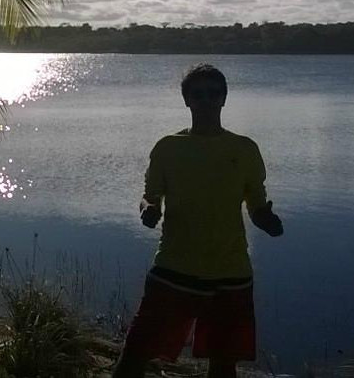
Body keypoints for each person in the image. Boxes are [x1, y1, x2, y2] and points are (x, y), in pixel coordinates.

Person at [112, 63, 283, 378]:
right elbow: (150, 195)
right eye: (198, 94)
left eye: (213, 94)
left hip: (231, 274)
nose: (206, 100)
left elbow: (257, 204)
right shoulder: (167, 148)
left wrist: (267, 220)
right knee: (135, 354)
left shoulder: (244, 149)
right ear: (187, 100)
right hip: (174, 268)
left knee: (223, 365)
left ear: (224, 99)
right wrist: (148, 209)